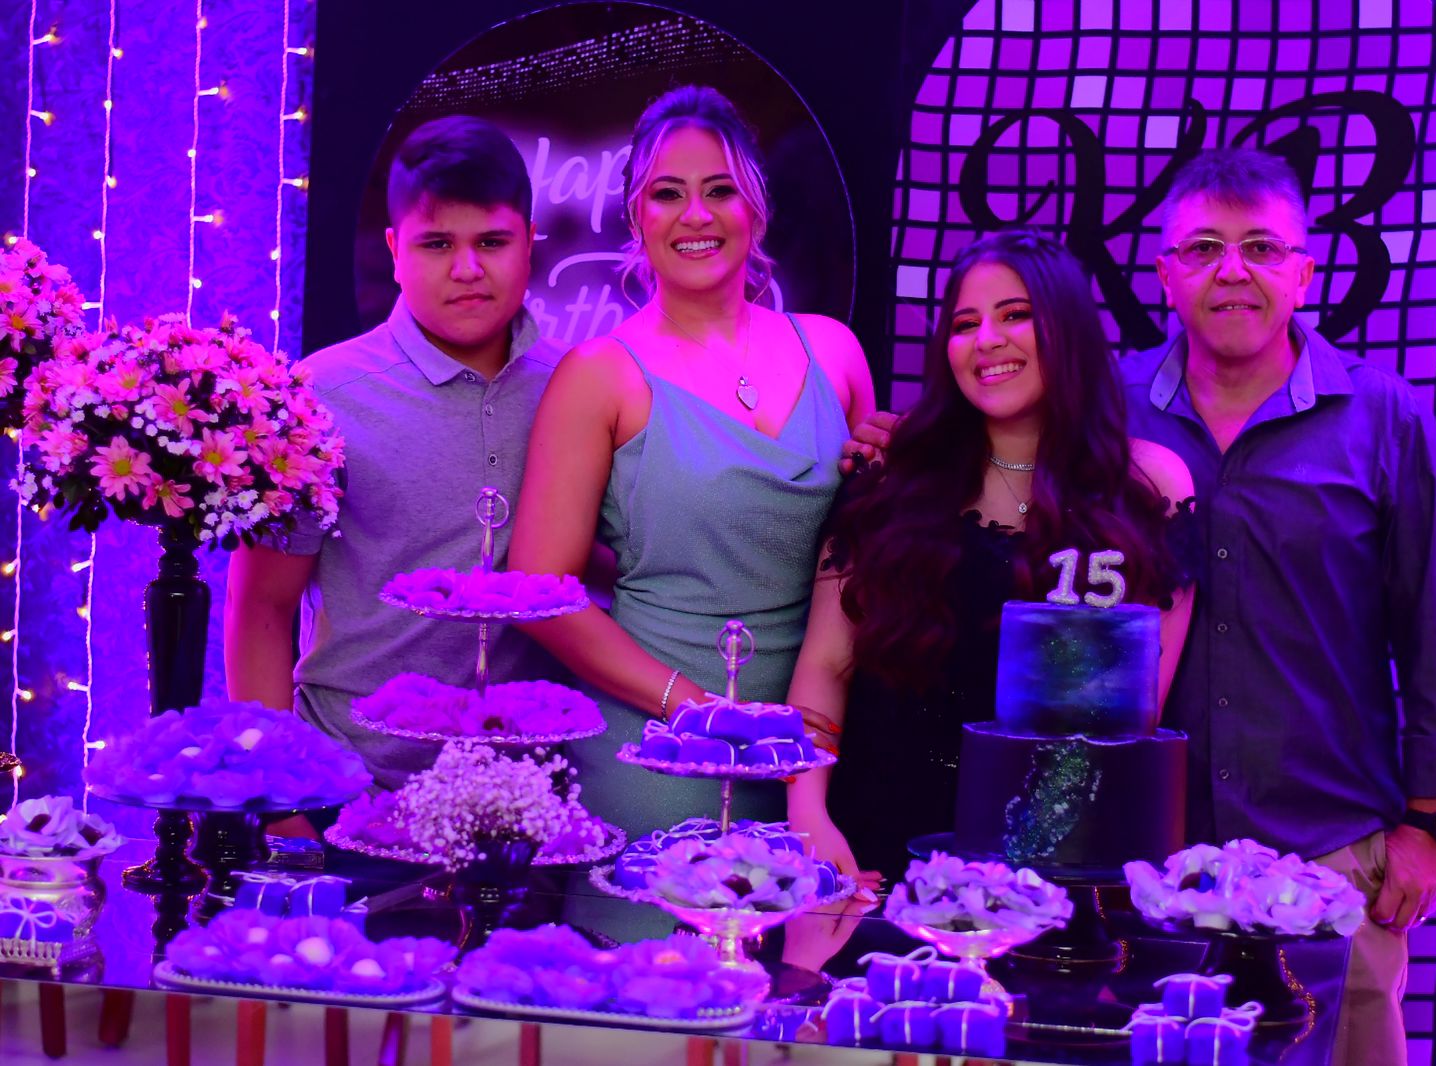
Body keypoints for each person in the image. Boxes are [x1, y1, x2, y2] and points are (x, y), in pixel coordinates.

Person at [1119, 146, 1436, 1066]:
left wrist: (1429, 824)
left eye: (1260, 248)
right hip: (1143, 857)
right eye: (1202, 248)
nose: (1231, 271)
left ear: (1304, 272)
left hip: (1333, 853)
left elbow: (1435, 630)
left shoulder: (1383, 417)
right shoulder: (1109, 409)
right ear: (1165, 273)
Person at [507, 86, 875, 836]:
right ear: (636, 215)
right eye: (668, 194)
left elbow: (868, 554)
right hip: (661, 757)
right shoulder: (598, 375)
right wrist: (698, 711)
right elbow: (539, 589)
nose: (696, 215)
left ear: (756, 208)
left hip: (817, 763)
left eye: (720, 191)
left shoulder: (834, 353)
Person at [785, 230, 1196, 889]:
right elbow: (825, 663)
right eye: (964, 323)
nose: (986, 341)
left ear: (1067, 329)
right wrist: (808, 814)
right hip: (882, 852)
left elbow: (1138, 714)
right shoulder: (892, 479)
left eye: (1015, 315)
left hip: (1062, 859)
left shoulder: (1149, 490)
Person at [224, 116, 568, 791]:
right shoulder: (320, 396)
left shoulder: (577, 389)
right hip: (350, 789)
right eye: (437, 243)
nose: (467, 270)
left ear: (530, 242)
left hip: (533, 803)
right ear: (393, 248)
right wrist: (278, 803)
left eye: (492, 241)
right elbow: (261, 608)